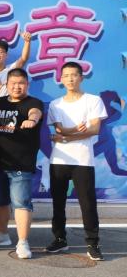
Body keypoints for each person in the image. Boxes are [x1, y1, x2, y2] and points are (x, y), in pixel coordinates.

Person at [45, 62, 106, 261]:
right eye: (66, 75)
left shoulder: (93, 100)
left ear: (81, 77)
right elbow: (59, 129)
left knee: (87, 204)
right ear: (60, 79)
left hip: (83, 160)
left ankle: (92, 243)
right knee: (58, 203)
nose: (70, 79)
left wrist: (64, 137)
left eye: (74, 75)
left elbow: (94, 129)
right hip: (59, 159)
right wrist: (68, 134)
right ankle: (60, 238)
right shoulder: (55, 104)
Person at [0, 68, 43, 259]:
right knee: (0, 201)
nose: (17, 87)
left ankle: (23, 242)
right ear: (7, 85)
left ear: (27, 84)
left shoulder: (33, 102)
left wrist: (32, 120)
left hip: (20, 163)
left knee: (20, 202)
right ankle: (2, 235)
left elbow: (35, 113)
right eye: (13, 83)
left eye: (21, 83)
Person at [0, 32, 33, 97]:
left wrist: (27, 42)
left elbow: (24, 58)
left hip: (6, 103)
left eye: (0, 52)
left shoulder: (11, 69)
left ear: (6, 55)